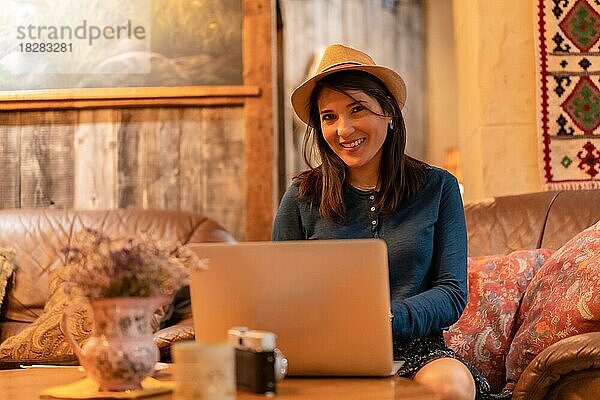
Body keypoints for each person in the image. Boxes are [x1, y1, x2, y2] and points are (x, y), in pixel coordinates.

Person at [272, 44, 491, 400]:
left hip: (417, 350)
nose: (343, 129)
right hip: (326, 353)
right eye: (328, 117)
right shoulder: (301, 196)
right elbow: (277, 292)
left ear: (388, 111)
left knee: (451, 386)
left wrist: (385, 319)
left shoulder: (439, 187)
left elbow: (451, 293)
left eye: (356, 109)